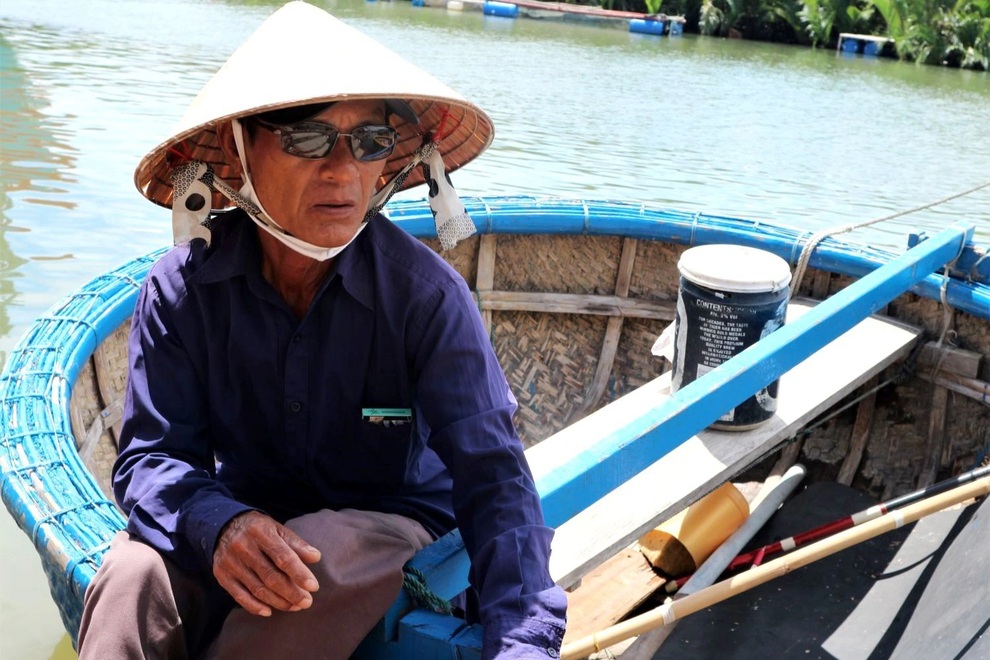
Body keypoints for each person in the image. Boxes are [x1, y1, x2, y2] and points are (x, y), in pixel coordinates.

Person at [76, 2, 567, 658]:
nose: (341, 171)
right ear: (239, 153)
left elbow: (495, 480)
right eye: (306, 140)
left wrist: (524, 640)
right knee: (130, 578)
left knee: (315, 561)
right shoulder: (182, 290)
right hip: (246, 517)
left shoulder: (426, 297)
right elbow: (151, 458)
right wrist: (219, 524)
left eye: (369, 143)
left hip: (390, 528)